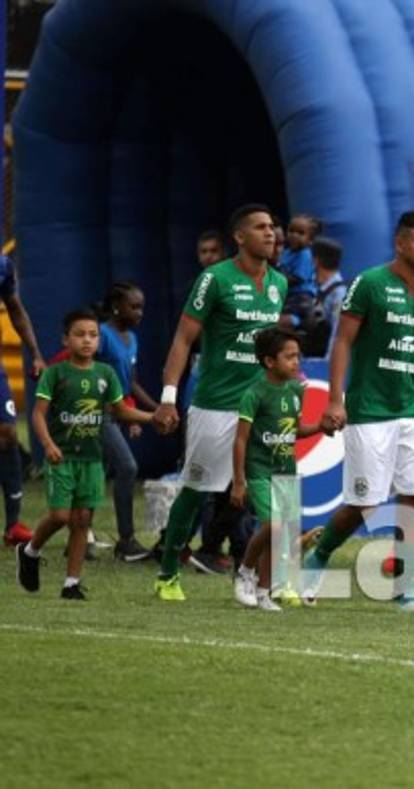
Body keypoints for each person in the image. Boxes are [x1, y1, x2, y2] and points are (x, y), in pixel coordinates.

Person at [303, 211, 414, 613]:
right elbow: (343, 342)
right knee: (364, 502)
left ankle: (410, 590)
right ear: (400, 244)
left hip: (413, 410)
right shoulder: (369, 283)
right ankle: (320, 555)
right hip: (370, 411)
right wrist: (335, 399)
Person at [150, 203, 287, 602]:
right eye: (260, 227)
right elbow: (183, 339)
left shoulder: (278, 282)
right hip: (216, 404)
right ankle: (168, 571)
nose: (270, 233)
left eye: (272, 227)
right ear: (240, 237)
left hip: (262, 407)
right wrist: (169, 398)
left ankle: (273, 580)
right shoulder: (215, 279)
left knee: (277, 492)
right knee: (197, 490)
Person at [15, 309, 154, 599]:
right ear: (66, 339)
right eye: (80, 335)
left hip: (91, 459)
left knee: (81, 519)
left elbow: (121, 410)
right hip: (62, 457)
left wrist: (153, 418)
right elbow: (38, 415)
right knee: (61, 515)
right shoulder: (56, 374)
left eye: (93, 335)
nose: (87, 340)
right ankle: (30, 550)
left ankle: (71, 584)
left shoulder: (106, 374)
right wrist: (48, 445)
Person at [231, 328, 333, 611]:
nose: (296, 362)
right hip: (260, 471)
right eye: (289, 357)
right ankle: (245, 572)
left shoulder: (295, 391)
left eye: (298, 356)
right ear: (269, 362)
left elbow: (293, 430)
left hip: (287, 469)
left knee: (279, 533)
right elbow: (240, 439)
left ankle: (264, 592)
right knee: (273, 524)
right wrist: (239, 481)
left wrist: (319, 428)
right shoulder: (254, 394)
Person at [96, 282, 158, 561]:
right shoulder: (102, 335)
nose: (140, 312)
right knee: (128, 467)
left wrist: (157, 408)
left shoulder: (132, 339)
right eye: (134, 306)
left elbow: (129, 383)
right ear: (117, 306)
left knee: (96, 475)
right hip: (97, 414)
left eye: (142, 307)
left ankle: (82, 534)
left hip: (118, 413)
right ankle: (126, 539)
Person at [0, 254, 46, 548]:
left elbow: (14, 308)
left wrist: (35, 352)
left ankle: (13, 524)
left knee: (7, 433)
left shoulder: (4, 265)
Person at [297, 236, 346, 357]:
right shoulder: (310, 284)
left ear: (316, 261)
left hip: (320, 360)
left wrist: (328, 362)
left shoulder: (339, 294)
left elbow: (337, 331)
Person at [279, 213, 321, 328]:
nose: (294, 235)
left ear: (310, 240)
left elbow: (297, 278)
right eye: (291, 231)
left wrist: (277, 280)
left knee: (289, 319)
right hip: (289, 295)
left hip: (301, 296)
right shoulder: (286, 253)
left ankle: (300, 322)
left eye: (300, 233)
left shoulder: (305, 255)